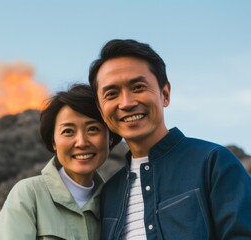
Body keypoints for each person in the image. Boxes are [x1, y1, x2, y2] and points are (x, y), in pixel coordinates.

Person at [88, 39, 251, 239]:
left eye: (138, 87)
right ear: (102, 111)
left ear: (164, 94)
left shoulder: (214, 163)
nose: (127, 103)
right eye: (112, 94)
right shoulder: (108, 194)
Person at [0, 83, 121, 239]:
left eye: (93, 129)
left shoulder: (117, 203)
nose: (81, 142)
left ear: (110, 137)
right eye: (68, 131)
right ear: (53, 142)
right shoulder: (29, 195)